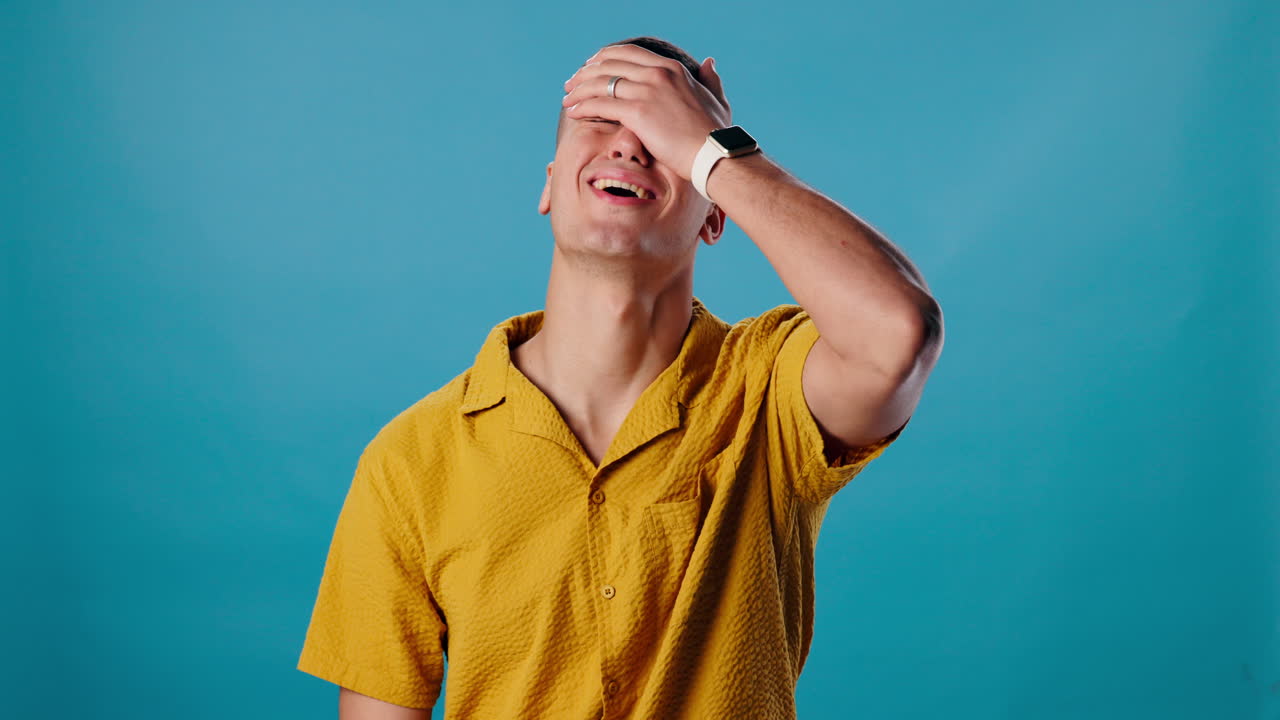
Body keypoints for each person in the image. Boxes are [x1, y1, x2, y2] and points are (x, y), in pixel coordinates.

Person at [298, 35, 944, 720]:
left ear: (716, 215)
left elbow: (898, 335)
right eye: (601, 119)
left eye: (664, 135)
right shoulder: (409, 461)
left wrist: (716, 150)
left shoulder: (771, 392)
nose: (632, 145)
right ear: (549, 183)